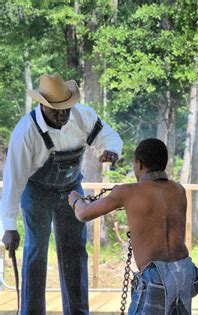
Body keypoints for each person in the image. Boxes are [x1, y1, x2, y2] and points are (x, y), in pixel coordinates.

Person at [1, 73, 123, 314]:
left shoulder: (82, 115)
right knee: (36, 253)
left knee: (75, 252)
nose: (63, 114)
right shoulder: (26, 132)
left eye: (66, 107)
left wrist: (112, 151)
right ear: (42, 105)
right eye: (56, 110)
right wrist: (8, 226)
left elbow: (109, 136)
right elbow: (13, 181)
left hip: (71, 191)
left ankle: (78, 312)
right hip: (36, 193)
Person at [69, 138, 198, 314]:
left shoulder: (128, 191)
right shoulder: (178, 190)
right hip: (186, 272)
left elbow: (83, 214)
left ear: (139, 164)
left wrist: (75, 200)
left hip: (156, 277)